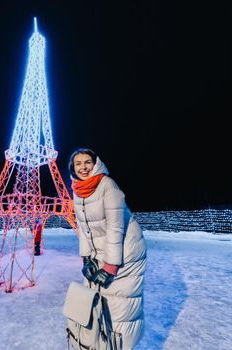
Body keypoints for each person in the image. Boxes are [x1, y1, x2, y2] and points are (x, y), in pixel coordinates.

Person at [69, 148, 147, 350]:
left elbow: (115, 226)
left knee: (118, 307)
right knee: (96, 304)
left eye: (87, 162)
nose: (83, 167)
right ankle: (101, 344)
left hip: (125, 251)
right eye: (78, 163)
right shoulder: (78, 189)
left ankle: (119, 346)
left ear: (95, 164)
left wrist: (111, 265)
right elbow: (83, 227)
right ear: (72, 167)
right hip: (101, 252)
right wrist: (86, 258)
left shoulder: (107, 185)